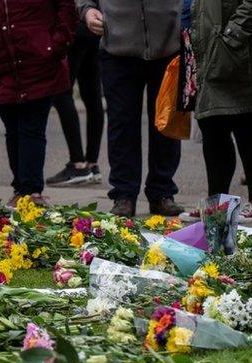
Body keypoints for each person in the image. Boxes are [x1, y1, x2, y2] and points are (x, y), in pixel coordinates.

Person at [0, 0, 76, 206]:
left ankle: (30, 191)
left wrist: (55, 44)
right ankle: (22, 189)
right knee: (13, 129)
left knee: (32, 127)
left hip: (39, 62)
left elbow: (66, 8)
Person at [78, 0, 183, 217]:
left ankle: (162, 192)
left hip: (168, 45)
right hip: (117, 49)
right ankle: (124, 195)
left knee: (165, 123)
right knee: (122, 124)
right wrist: (87, 11)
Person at [191, 0, 252, 220]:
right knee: (212, 124)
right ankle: (217, 203)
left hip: (241, 50)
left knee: (247, 123)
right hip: (214, 46)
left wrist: (233, 33)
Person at [46, 21, 104, 187]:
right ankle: (92, 164)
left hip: (72, 26)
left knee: (61, 92)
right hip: (92, 25)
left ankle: (78, 163)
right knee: (92, 95)